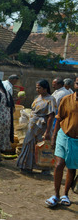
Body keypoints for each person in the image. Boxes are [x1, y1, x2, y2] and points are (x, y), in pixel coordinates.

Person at [45, 77, 78, 207]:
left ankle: (65, 194)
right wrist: (53, 136)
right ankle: (56, 195)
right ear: (74, 84)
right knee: (59, 165)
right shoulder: (66, 99)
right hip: (63, 136)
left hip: (76, 141)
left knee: (71, 167)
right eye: (77, 82)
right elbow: (58, 119)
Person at [16, 79, 56, 172]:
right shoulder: (38, 97)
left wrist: (47, 131)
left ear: (45, 89)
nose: (37, 90)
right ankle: (27, 165)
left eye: (39, 88)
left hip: (42, 127)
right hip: (33, 126)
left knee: (42, 147)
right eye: (36, 88)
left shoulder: (51, 99)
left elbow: (51, 116)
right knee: (29, 144)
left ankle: (45, 168)